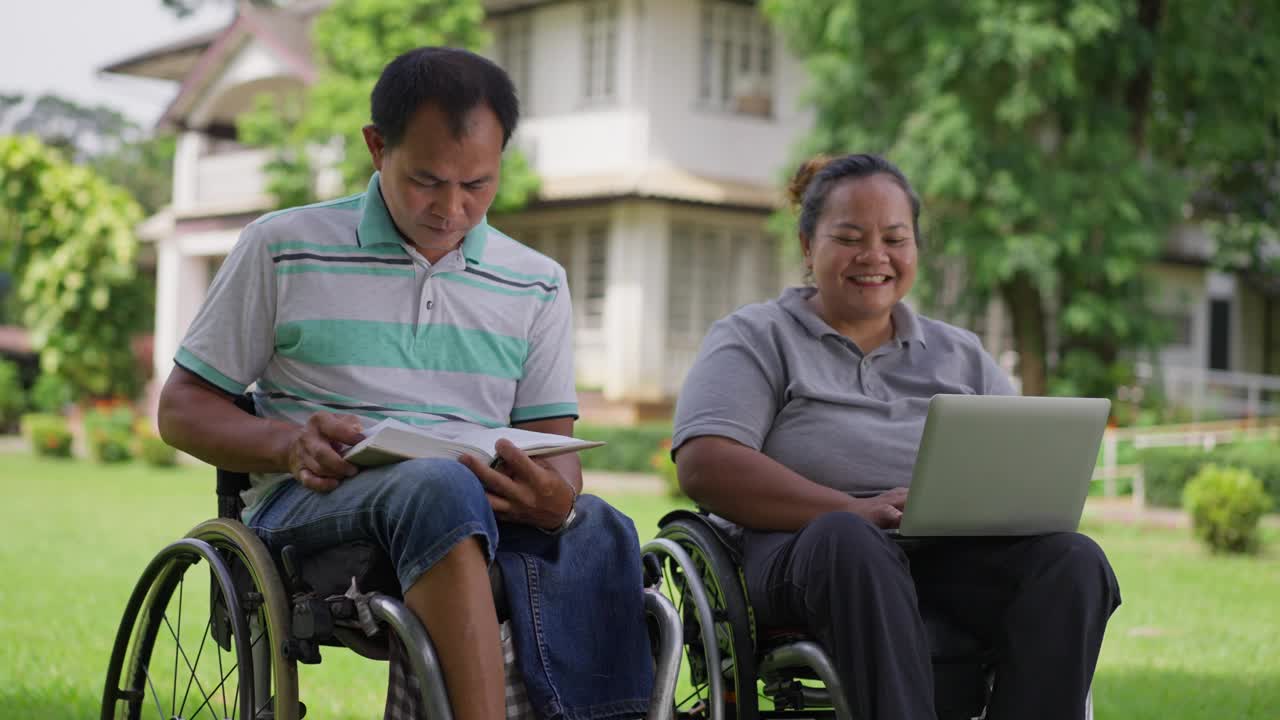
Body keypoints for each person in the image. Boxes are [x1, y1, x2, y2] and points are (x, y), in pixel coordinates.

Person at [157, 47, 653, 720]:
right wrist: (288, 444)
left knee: (598, 526)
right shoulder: (282, 247)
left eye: (477, 184)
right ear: (375, 146)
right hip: (311, 513)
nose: (452, 208)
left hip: (480, 514)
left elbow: (553, 450)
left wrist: (553, 495)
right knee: (441, 486)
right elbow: (181, 408)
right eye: (427, 180)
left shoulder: (536, 282)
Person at [670, 153, 1121, 719]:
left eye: (894, 238)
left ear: (915, 251)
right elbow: (705, 463)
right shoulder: (755, 337)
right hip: (808, 553)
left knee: (1073, 562)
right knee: (850, 541)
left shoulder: (960, 353)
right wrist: (853, 509)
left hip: (949, 554)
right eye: (850, 237)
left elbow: (1020, 456)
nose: (874, 257)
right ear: (808, 247)